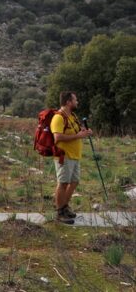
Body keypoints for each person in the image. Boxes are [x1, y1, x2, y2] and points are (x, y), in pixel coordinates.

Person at [51, 92, 91, 224]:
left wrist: (84, 132)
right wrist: (79, 136)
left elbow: (77, 131)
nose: (77, 101)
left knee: (74, 182)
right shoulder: (58, 117)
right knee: (62, 183)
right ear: (68, 102)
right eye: (75, 99)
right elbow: (57, 137)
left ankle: (64, 207)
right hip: (64, 156)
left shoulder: (72, 115)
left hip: (74, 156)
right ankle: (59, 213)